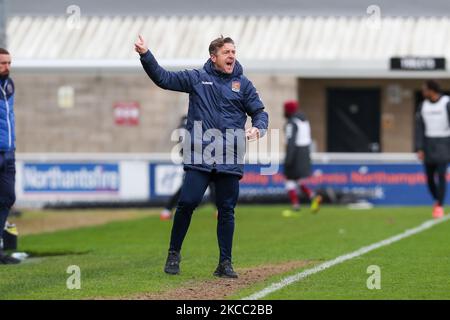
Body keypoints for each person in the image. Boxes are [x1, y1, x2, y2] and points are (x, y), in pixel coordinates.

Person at [135, 35, 268, 278]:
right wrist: (146, 55)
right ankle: (174, 253)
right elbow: (163, 78)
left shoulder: (244, 85)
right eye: (226, 52)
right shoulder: (197, 78)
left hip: (230, 155)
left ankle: (225, 263)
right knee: (187, 203)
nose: (231, 55)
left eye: (233, 51)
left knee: (226, 210)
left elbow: (260, 112)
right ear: (213, 57)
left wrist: (259, 126)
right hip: (201, 154)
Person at [160, 115, 217, 220]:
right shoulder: (195, 122)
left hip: (192, 158)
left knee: (193, 184)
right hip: (198, 158)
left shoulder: (183, 125)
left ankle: (167, 210)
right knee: (210, 183)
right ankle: (168, 209)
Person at [415, 80, 450, 219]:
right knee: (429, 178)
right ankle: (437, 199)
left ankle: (440, 206)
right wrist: (420, 148)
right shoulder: (423, 106)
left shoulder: (446, 103)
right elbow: (419, 128)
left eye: (425, 90)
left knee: (441, 176)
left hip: (444, 143)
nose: (423, 93)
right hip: (428, 144)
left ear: (432, 90)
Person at [283, 100, 321, 213]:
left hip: (296, 153)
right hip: (305, 152)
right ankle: (313, 196)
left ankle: (295, 205)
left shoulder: (291, 122)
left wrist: (288, 159)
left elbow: (291, 141)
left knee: (289, 180)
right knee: (298, 180)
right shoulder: (304, 120)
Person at [0, 48, 20, 264]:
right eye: (3, 63)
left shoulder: (9, 84)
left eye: (9, 62)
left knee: (7, 198)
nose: (7, 67)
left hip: (8, 151)